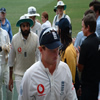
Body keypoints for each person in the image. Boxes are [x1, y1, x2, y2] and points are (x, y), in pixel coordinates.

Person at [18, 27, 78, 100]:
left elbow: (72, 97)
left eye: (57, 49)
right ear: (41, 49)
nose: (56, 54)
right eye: (52, 50)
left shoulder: (65, 69)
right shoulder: (30, 75)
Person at [8, 15, 40, 95]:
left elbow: (39, 57)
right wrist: (10, 78)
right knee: (22, 96)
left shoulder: (35, 38)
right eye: (23, 26)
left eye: (27, 26)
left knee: (33, 96)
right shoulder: (14, 39)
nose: (26, 28)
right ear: (20, 27)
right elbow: (11, 60)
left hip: (33, 73)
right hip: (19, 74)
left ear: (30, 26)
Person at [77, 14, 100, 100]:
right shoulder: (98, 40)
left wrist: (78, 54)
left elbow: (80, 67)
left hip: (86, 86)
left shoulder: (85, 44)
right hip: (96, 84)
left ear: (88, 27)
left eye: (83, 27)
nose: (82, 29)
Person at [0, 20, 12, 100]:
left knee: (9, 86)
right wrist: (1, 48)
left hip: (6, 63)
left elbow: (9, 44)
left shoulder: (4, 32)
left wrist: (8, 48)